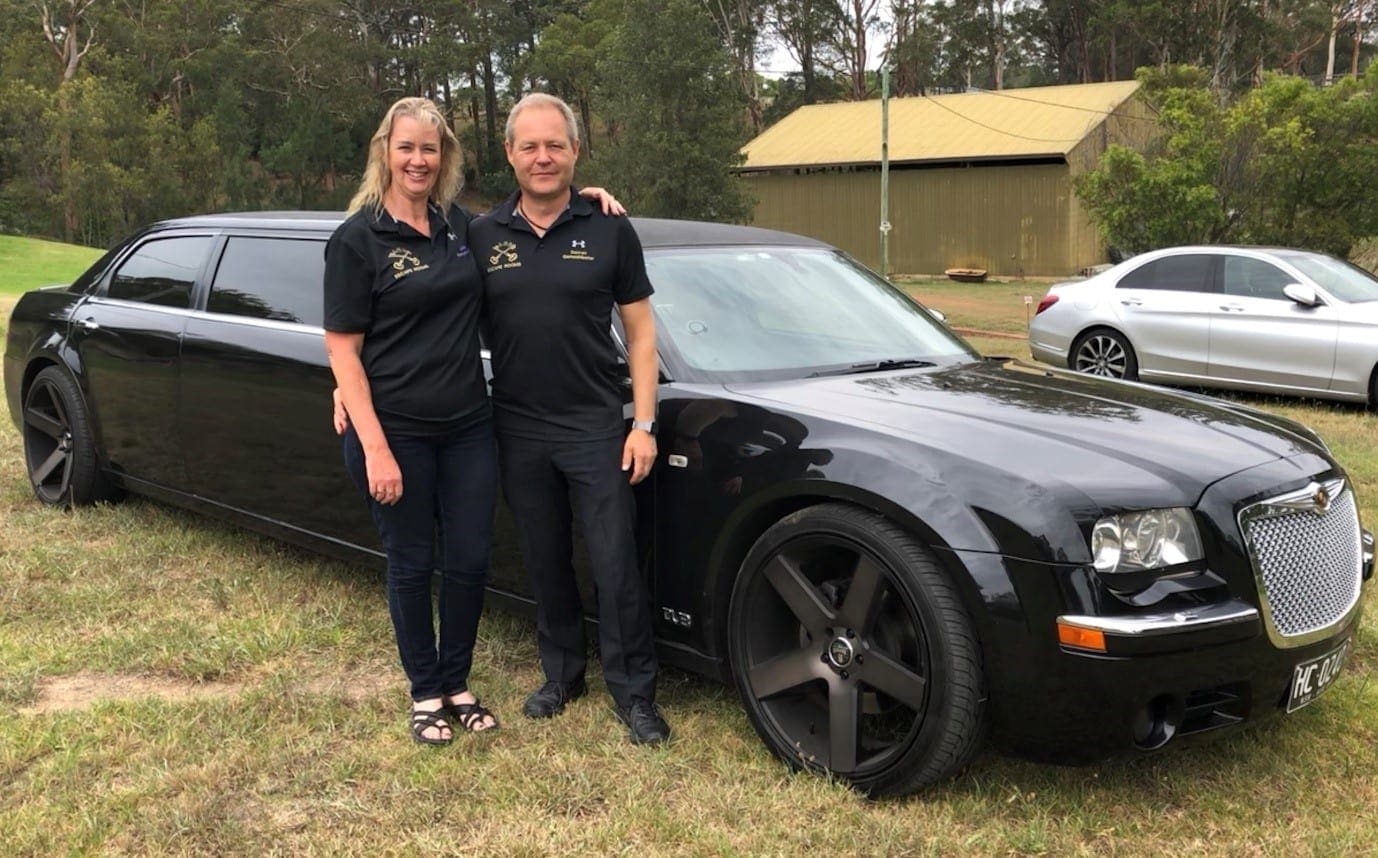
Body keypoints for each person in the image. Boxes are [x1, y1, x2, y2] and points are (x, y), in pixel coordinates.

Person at [323, 96, 623, 745]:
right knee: (411, 560)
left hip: (466, 428)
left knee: (468, 559)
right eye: (407, 147)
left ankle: (457, 679)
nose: (418, 159)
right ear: (386, 152)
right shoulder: (357, 238)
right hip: (394, 431)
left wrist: (584, 197)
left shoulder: (462, 229)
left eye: (430, 149)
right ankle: (426, 690)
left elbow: (535, 235)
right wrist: (372, 443)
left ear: (445, 157)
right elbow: (342, 345)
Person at [467, 93, 670, 745]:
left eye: (555, 144)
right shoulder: (481, 235)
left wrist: (642, 424)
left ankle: (634, 693)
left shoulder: (610, 228)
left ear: (576, 151)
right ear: (509, 154)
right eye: (529, 146)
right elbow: (427, 312)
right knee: (545, 559)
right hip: (517, 426)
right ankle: (561, 675)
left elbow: (641, 336)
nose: (543, 156)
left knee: (615, 566)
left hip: (595, 428)